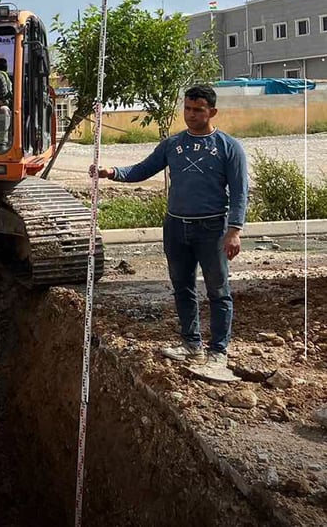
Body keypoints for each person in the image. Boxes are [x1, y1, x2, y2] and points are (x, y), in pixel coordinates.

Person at [93, 85, 248, 373]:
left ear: (211, 112)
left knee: (218, 289)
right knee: (182, 286)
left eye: (198, 109)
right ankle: (191, 344)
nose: (191, 114)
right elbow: (143, 169)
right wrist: (112, 172)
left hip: (212, 228)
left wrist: (234, 230)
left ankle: (218, 351)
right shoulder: (173, 145)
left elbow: (240, 192)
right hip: (176, 227)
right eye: (188, 108)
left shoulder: (229, 147)